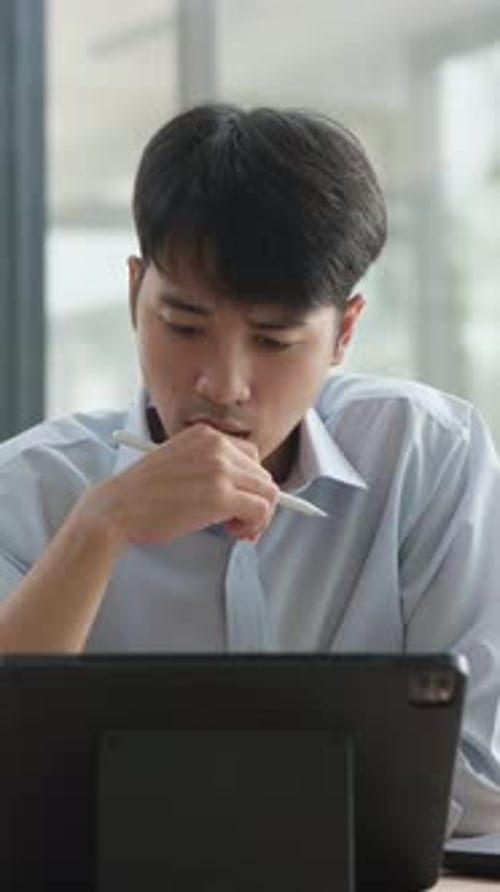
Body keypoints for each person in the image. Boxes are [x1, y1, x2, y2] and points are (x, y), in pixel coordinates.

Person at [0, 103, 499, 835]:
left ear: (343, 333)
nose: (223, 384)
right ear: (136, 293)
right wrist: (100, 527)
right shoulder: (29, 489)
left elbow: (480, 779)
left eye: (273, 340)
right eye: (184, 326)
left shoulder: (427, 458)